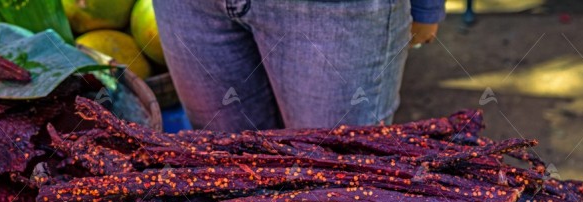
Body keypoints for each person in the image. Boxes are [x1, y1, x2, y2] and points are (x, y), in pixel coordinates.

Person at [154, 0, 443, 131]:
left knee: (333, 189)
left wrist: (427, 6)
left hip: (332, 9)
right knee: (227, 177)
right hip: (189, 7)